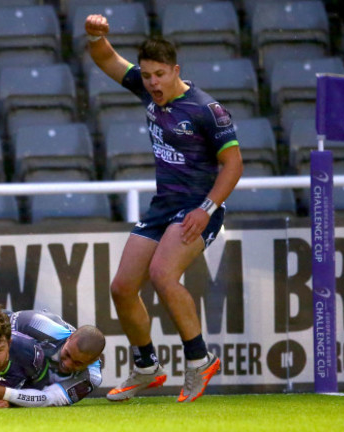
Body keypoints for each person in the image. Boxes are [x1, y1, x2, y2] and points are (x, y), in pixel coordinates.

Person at [84, 15, 244, 403]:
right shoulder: (145, 87)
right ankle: (146, 367)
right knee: (122, 288)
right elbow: (106, 59)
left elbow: (235, 164)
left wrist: (207, 208)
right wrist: (95, 35)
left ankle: (199, 359)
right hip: (163, 206)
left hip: (198, 208)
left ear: (175, 70)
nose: (153, 83)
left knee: (162, 274)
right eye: (148, 75)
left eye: (160, 75)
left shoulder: (208, 110)